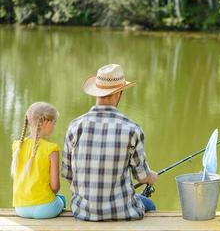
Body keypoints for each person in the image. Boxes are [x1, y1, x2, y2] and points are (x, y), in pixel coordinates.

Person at [62, 64, 158, 221]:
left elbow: (67, 174)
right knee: (150, 205)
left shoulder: (75, 126)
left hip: (82, 211)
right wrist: (152, 177)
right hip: (123, 211)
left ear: (96, 92)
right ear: (118, 93)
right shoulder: (132, 129)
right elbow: (142, 177)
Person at [11, 102, 66, 219]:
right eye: (54, 122)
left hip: (21, 208)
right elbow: (55, 187)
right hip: (46, 209)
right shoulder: (52, 149)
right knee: (61, 199)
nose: (55, 126)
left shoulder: (17, 146)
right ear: (46, 122)